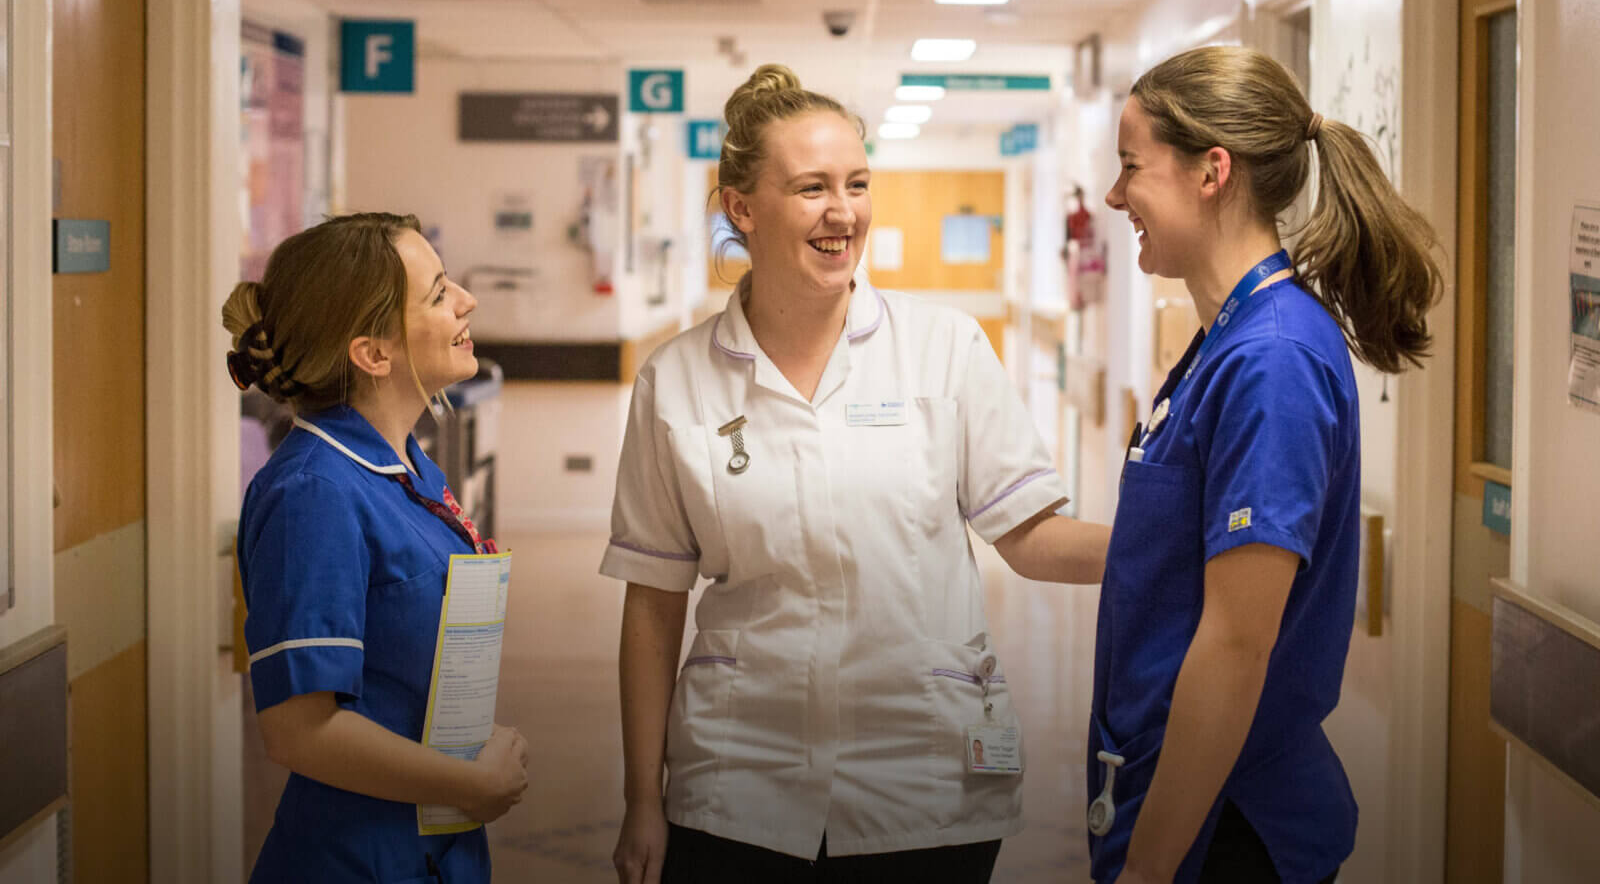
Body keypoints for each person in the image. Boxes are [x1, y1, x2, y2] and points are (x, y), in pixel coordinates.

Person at [604, 64, 1111, 884]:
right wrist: (639, 797)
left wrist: (1177, 545)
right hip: (738, 781)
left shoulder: (944, 348)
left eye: (858, 183)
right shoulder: (678, 380)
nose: (843, 212)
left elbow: (1029, 536)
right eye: (810, 187)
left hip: (927, 777)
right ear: (742, 208)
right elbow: (654, 600)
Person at [1088, 46, 1443, 884]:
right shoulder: (1230, 340)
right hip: (1189, 801)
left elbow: (1239, 643)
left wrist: (1148, 870)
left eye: (1131, 167)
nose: (1113, 195)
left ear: (1212, 171)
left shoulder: (1271, 359)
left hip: (1229, 829)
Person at [224, 212, 530, 883]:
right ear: (373, 353)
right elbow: (299, 732)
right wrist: (468, 783)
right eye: (439, 293)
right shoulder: (314, 492)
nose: (466, 302)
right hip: (356, 859)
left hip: (433, 843)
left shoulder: (404, 468)